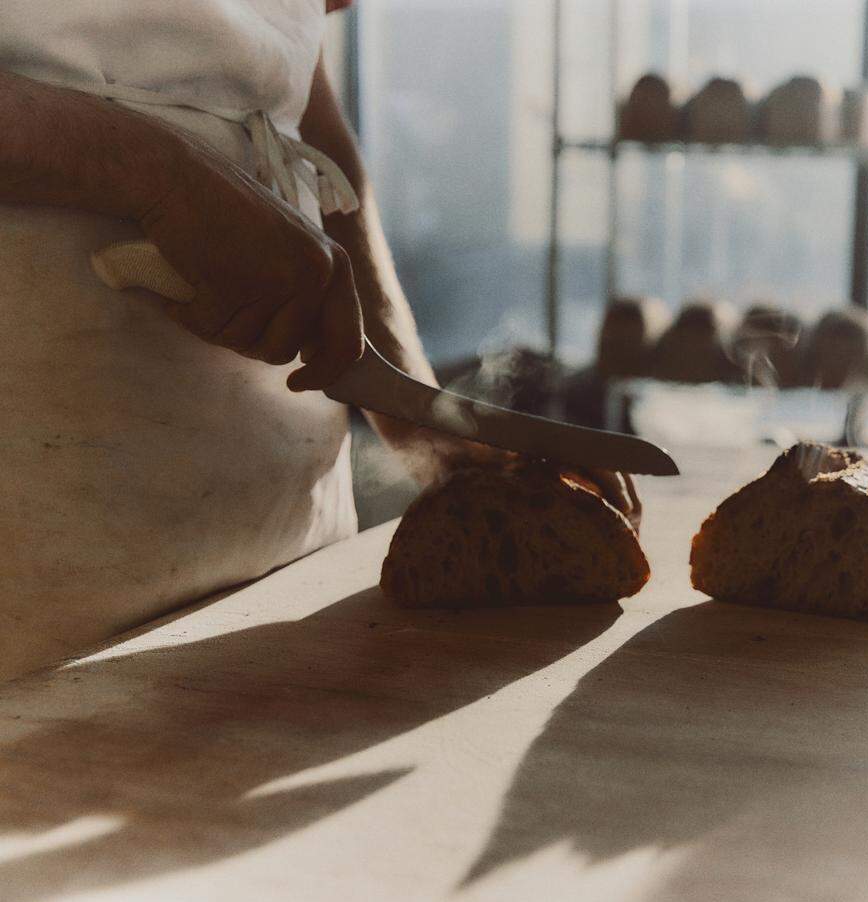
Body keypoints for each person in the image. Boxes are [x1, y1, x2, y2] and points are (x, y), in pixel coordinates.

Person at [0, 1, 637, 681]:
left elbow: (295, 81)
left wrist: (413, 405)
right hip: (44, 526)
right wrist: (165, 175)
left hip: (288, 524)